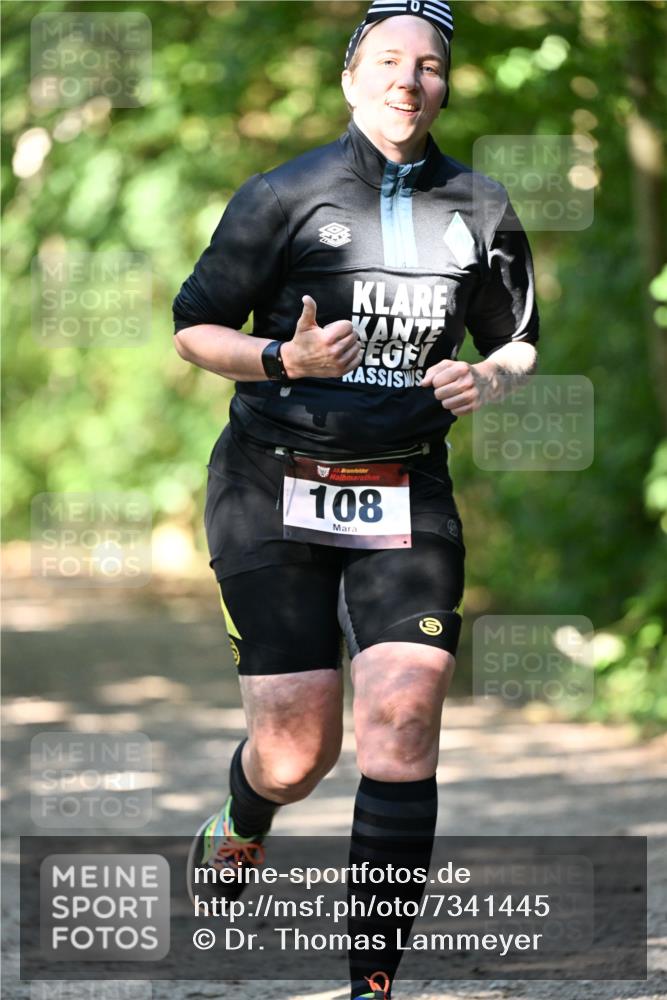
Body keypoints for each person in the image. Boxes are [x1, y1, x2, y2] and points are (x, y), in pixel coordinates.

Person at [172, 2, 539, 997]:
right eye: (388, 60)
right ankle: (244, 816)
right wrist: (279, 356)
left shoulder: (480, 203)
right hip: (272, 483)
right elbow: (193, 329)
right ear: (351, 76)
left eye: (428, 65)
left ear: (445, 85)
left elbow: (516, 337)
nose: (407, 80)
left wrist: (489, 379)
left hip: (404, 487)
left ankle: (371, 980)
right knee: (297, 754)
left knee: (405, 715)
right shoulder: (281, 194)